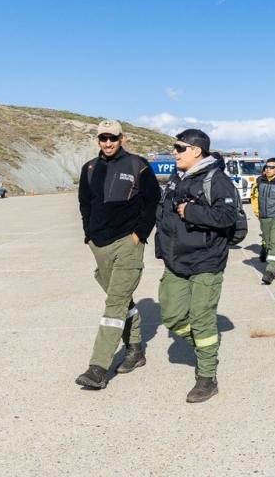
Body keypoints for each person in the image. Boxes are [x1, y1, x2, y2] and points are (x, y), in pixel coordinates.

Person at [75, 120, 161, 390]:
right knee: (121, 298)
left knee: (114, 303)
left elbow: (153, 201)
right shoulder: (90, 168)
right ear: (98, 140)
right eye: (103, 139)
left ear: (122, 138)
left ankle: (98, 367)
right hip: (99, 244)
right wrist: (89, 235)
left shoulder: (138, 165)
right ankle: (135, 349)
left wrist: (140, 234)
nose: (108, 143)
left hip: (128, 242)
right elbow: (84, 204)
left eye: (113, 138)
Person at [156, 129, 239, 402]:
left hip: (206, 261)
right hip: (176, 260)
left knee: (202, 319)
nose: (175, 153)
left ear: (196, 150)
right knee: (172, 315)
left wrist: (190, 212)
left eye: (180, 148)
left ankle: (207, 376)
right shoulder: (176, 178)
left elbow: (227, 215)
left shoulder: (217, 179)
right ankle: (206, 348)